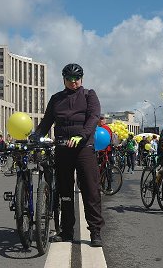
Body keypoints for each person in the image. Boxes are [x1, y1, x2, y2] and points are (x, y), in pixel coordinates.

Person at [32, 63, 104, 247]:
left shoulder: (89, 95)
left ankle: (95, 231)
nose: (73, 83)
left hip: (83, 148)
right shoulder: (56, 99)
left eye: (77, 79)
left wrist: (81, 135)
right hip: (63, 148)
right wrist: (36, 136)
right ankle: (67, 231)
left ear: (82, 78)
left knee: (90, 189)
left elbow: (94, 117)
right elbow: (47, 121)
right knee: (65, 192)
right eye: (70, 79)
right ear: (64, 79)